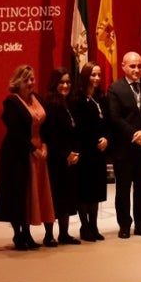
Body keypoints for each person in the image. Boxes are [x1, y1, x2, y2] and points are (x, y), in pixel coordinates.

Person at [0, 66, 55, 250]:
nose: (30, 83)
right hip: (16, 154)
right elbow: (15, 132)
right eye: (26, 80)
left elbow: (46, 126)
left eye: (32, 79)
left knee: (32, 194)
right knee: (18, 194)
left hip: (38, 151)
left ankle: (27, 233)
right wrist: (32, 149)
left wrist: (45, 146)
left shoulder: (38, 99)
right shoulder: (11, 102)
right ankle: (19, 235)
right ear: (17, 82)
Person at [108, 51, 141, 238]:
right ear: (123, 66)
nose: (136, 69)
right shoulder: (115, 88)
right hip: (124, 148)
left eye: (139, 66)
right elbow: (115, 117)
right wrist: (135, 135)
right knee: (123, 190)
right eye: (132, 66)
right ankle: (124, 225)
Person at [41, 67, 80, 245]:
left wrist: (74, 153)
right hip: (55, 160)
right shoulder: (50, 105)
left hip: (71, 159)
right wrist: (65, 155)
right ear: (55, 84)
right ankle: (49, 235)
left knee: (67, 198)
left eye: (68, 82)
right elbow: (49, 135)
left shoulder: (70, 103)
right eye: (61, 82)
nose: (65, 85)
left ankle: (64, 234)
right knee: (54, 198)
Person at [73, 62, 110, 242]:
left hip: (99, 153)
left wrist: (106, 138)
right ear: (85, 76)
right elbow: (78, 128)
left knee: (96, 191)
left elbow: (108, 122)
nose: (96, 78)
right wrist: (93, 142)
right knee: (84, 191)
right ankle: (84, 226)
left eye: (99, 75)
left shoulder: (102, 98)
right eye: (93, 75)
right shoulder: (77, 99)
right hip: (85, 152)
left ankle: (94, 225)